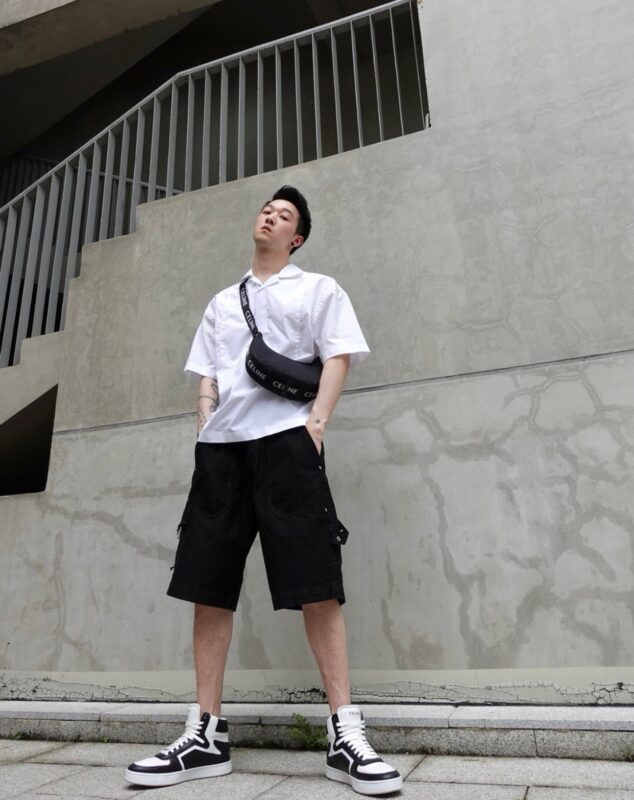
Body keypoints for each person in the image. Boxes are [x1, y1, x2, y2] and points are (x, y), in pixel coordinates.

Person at [125, 186, 403, 796]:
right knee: (207, 583)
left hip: (286, 444)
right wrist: (204, 414)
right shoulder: (224, 301)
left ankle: (344, 733)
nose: (270, 217)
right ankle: (205, 734)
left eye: (284, 216)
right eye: (266, 210)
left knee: (316, 581)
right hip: (221, 452)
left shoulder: (317, 289)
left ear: (296, 237)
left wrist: (316, 425)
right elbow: (207, 368)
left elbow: (338, 356)